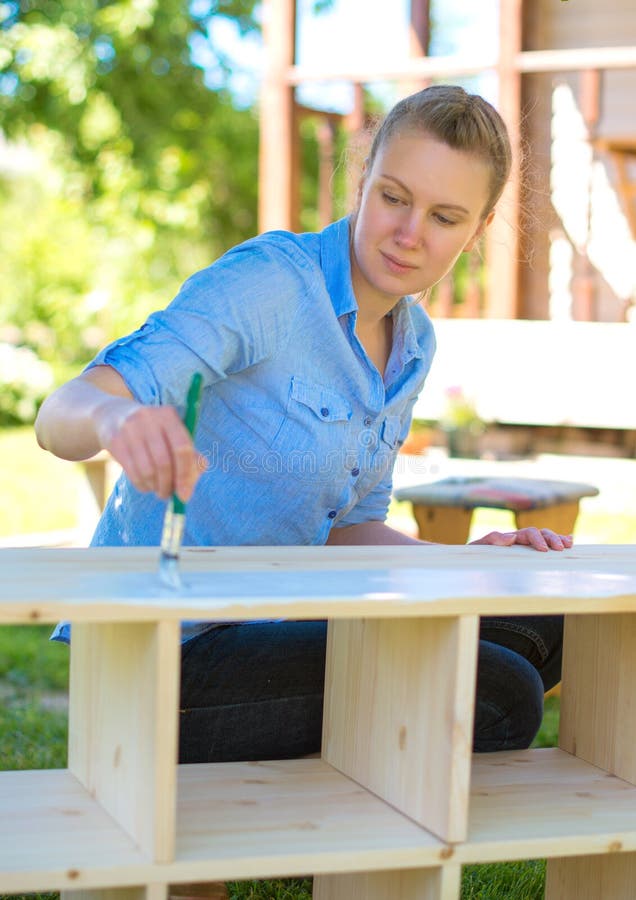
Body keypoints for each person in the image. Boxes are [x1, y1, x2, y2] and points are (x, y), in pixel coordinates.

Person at [36, 84, 570, 768]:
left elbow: (347, 529)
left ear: (479, 228)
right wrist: (114, 417)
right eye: (393, 197)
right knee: (499, 691)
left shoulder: (413, 345)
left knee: (543, 625)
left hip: (282, 623)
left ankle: (341, 797)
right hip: (165, 651)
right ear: (363, 178)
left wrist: (471, 566)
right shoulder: (269, 285)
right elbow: (61, 416)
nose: (409, 234)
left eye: (444, 217)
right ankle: (299, 829)